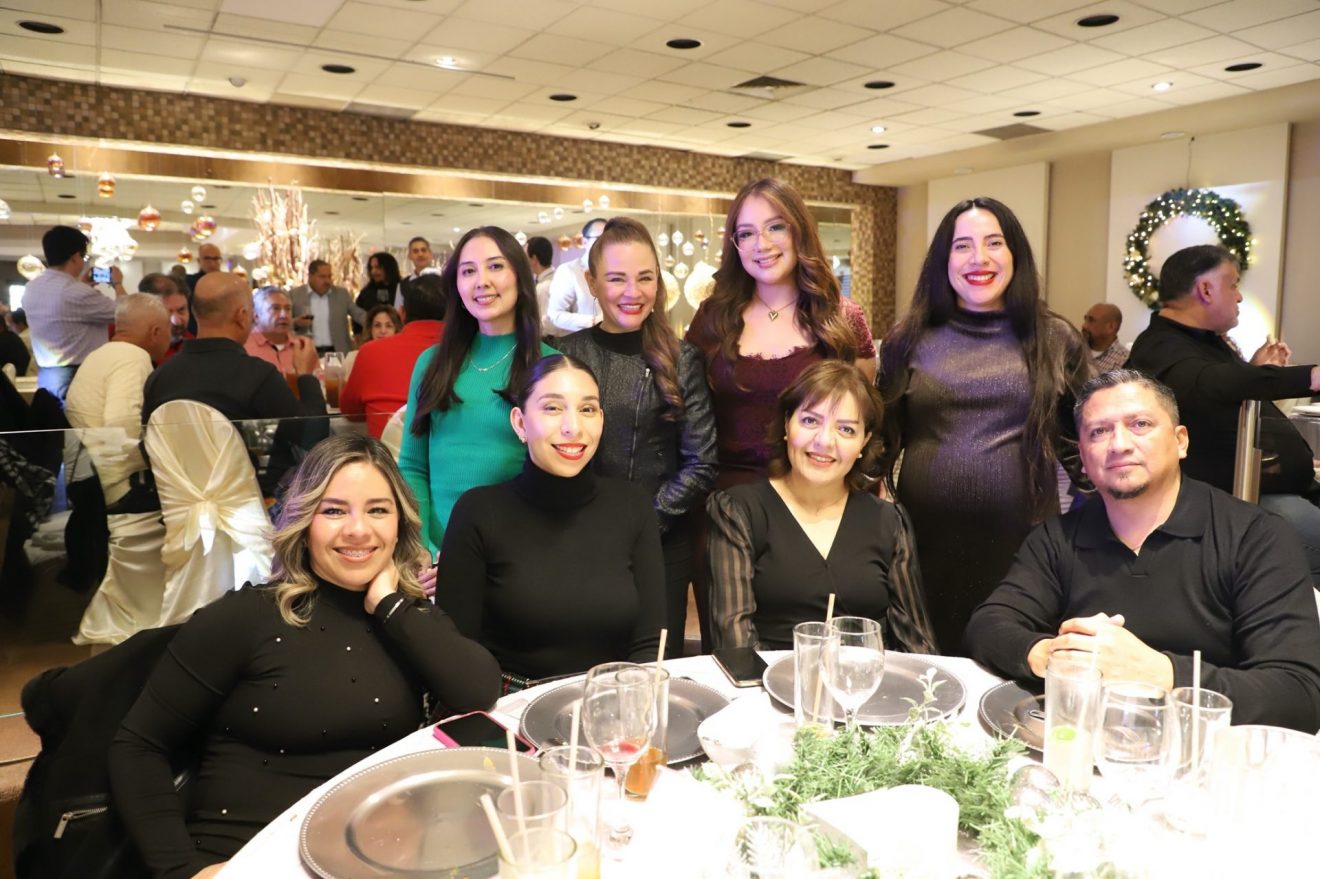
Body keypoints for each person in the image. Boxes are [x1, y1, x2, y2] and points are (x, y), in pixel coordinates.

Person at [108, 434, 501, 879]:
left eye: (377, 510)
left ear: (400, 524)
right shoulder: (246, 617)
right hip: (246, 857)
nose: (358, 530)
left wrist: (390, 605)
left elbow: (478, 690)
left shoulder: (405, 615)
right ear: (303, 522)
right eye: (334, 511)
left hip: (368, 855)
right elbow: (138, 745)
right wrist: (183, 870)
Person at [966, 370, 1320, 732]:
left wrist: (1162, 675)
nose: (1119, 444)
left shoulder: (1254, 537)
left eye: (1140, 424)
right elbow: (989, 625)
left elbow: (1299, 695)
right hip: (1087, 745)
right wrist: (1052, 655)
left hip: (1209, 752)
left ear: (1181, 441)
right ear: (1083, 458)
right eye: (1099, 432)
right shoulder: (1057, 538)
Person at [876, 196, 1089, 654]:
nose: (980, 258)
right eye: (963, 246)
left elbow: (1081, 447)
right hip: (921, 546)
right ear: (943, 259)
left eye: (994, 243)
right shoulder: (907, 340)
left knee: (1008, 663)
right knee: (928, 672)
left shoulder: (1055, 338)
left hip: (1023, 546)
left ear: (1016, 254)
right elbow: (882, 442)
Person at [685, 178, 876, 648]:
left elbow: (862, 419)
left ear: (799, 231)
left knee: (815, 648)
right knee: (731, 653)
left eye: (775, 227)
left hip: (817, 508)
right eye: (746, 233)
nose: (762, 244)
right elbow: (689, 422)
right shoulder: (713, 317)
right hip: (727, 512)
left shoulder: (841, 318)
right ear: (734, 244)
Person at [435, 355, 665, 686]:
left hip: (615, 697)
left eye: (587, 409)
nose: (573, 427)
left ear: (601, 420)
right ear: (520, 423)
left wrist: (629, 705)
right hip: (509, 700)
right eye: (553, 408)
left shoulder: (632, 505)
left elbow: (650, 644)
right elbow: (457, 654)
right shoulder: (478, 513)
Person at [556, 218, 717, 657]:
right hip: (574, 541)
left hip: (661, 547)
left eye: (645, 278)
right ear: (592, 283)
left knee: (654, 670)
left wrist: (642, 524)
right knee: (582, 666)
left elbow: (701, 462)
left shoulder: (683, 359)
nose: (633, 291)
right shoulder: (566, 355)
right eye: (616, 278)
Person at [707, 361, 937, 653]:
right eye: (810, 421)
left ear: (864, 441)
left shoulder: (888, 521)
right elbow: (735, 646)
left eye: (846, 429)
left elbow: (917, 645)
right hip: (767, 678)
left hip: (865, 677)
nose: (825, 441)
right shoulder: (739, 512)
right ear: (787, 424)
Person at [1126, 244, 1320, 584]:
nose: (1239, 296)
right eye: (1233, 284)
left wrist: (1254, 371)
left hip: (1271, 489)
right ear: (1205, 289)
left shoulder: (1205, 343)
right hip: (1226, 502)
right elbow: (1209, 382)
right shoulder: (1160, 347)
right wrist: (1311, 377)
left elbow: (1222, 389)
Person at [399, 227, 555, 555]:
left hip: (517, 553)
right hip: (434, 556)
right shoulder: (431, 363)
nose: (481, 281)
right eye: (468, 271)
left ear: (520, 276)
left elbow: (555, 480)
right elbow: (412, 467)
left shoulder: (551, 366)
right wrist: (423, 549)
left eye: (495, 266)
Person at [142, 272, 326, 496]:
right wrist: (306, 375)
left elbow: (150, 449)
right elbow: (314, 435)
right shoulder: (257, 375)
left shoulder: (160, 377)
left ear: (194, 313)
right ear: (242, 315)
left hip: (182, 503)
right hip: (255, 503)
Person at [65, 294, 172, 645]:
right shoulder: (133, 358)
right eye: (168, 330)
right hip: (118, 485)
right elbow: (121, 426)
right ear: (155, 331)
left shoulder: (101, 354)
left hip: (91, 478)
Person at [22, 225, 126, 403]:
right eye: (84, 257)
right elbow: (126, 314)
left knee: (52, 418)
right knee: (79, 420)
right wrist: (118, 284)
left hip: (46, 374)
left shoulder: (31, 288)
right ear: (75, 257)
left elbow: (66, 311)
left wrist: (82, 285)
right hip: (77, 374)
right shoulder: (76, 293)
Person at [340, 279, 444, 438]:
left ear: (401, 313)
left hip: (385, 452)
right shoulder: (468, 353)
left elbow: (350, 411)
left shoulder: (370, 352)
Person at [545, 218, 606, 337]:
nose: (607, 244)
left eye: (611, 239)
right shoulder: (569, 270)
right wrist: (593, 321)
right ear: (585, 242)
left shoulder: (619, 271)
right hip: (583, 342)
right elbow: (555, 315)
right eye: (600, 239)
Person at [290, 259, 364, 354]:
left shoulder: (341, 294)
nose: (327, 281)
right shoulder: (295, 295)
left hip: (337, 352)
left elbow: (359, 314)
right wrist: (296, 322)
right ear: (310, 276)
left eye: (329, 276)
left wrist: (376, 323)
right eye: (322, 277)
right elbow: (284, 322)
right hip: (307, 352)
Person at [242, 286, 298, 374]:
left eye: (288, 309)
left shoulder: (302, 347)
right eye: (275, 308)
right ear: (256, 316)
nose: (284, 315)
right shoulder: (243, 348)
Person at [138, 273, 192, 362]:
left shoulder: (193, 344)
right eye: (167, 312)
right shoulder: (135, 350)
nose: (177, 321)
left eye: (181, 310)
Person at [1080, 302, 1128, 375]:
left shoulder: (1123, 361)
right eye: (1085, 319)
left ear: (1111, 327)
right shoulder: (1074, 349)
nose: (1084, 326)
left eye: (1091, 320)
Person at [525, 235, 556, 338]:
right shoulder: (558, 278)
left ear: (534, 259)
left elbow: (544, 326)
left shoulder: (544, 287)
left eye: (525, 256)